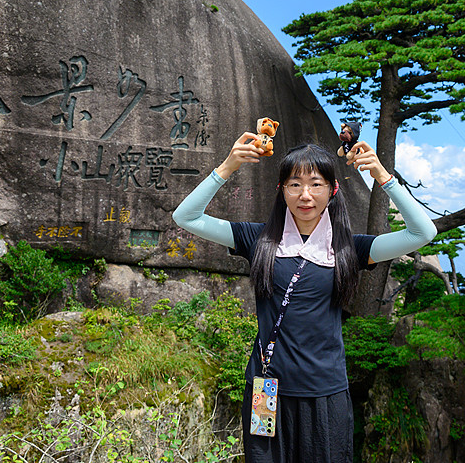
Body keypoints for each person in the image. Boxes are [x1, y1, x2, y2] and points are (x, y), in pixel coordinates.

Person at [172, 131, 437, 463]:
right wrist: (228, 166)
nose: (305, 195)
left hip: (324, 394)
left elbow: (423, 233)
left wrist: (383, 177)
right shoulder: (259, 239)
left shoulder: (349, 249)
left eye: (316, 184)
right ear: (282, 191)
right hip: (265, 391)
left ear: (332, 190)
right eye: (294, 184)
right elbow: (185, 217)